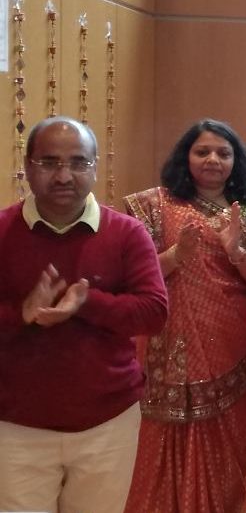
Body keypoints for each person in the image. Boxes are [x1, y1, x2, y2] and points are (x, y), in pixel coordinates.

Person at [0, 117, 168, 513]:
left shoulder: (127, 233)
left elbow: (153, 313)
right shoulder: (2, 231)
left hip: (107, 423)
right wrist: (21, 313)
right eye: (49, 162)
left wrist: (86, 303)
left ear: (95, 167)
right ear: (27, 166)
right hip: (16, 425)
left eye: (78, 162)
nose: (63, 176)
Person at [124, 119, 246, 512]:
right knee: (162, 435)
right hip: (169, 339)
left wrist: (236, 252)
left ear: (236, 160)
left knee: (228, 438)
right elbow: (134, 277)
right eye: (202, 151)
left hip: (230, 339)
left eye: (223, 153)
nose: (213, 159)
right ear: (186, 157)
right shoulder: (154, 205)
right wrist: (176, 256)